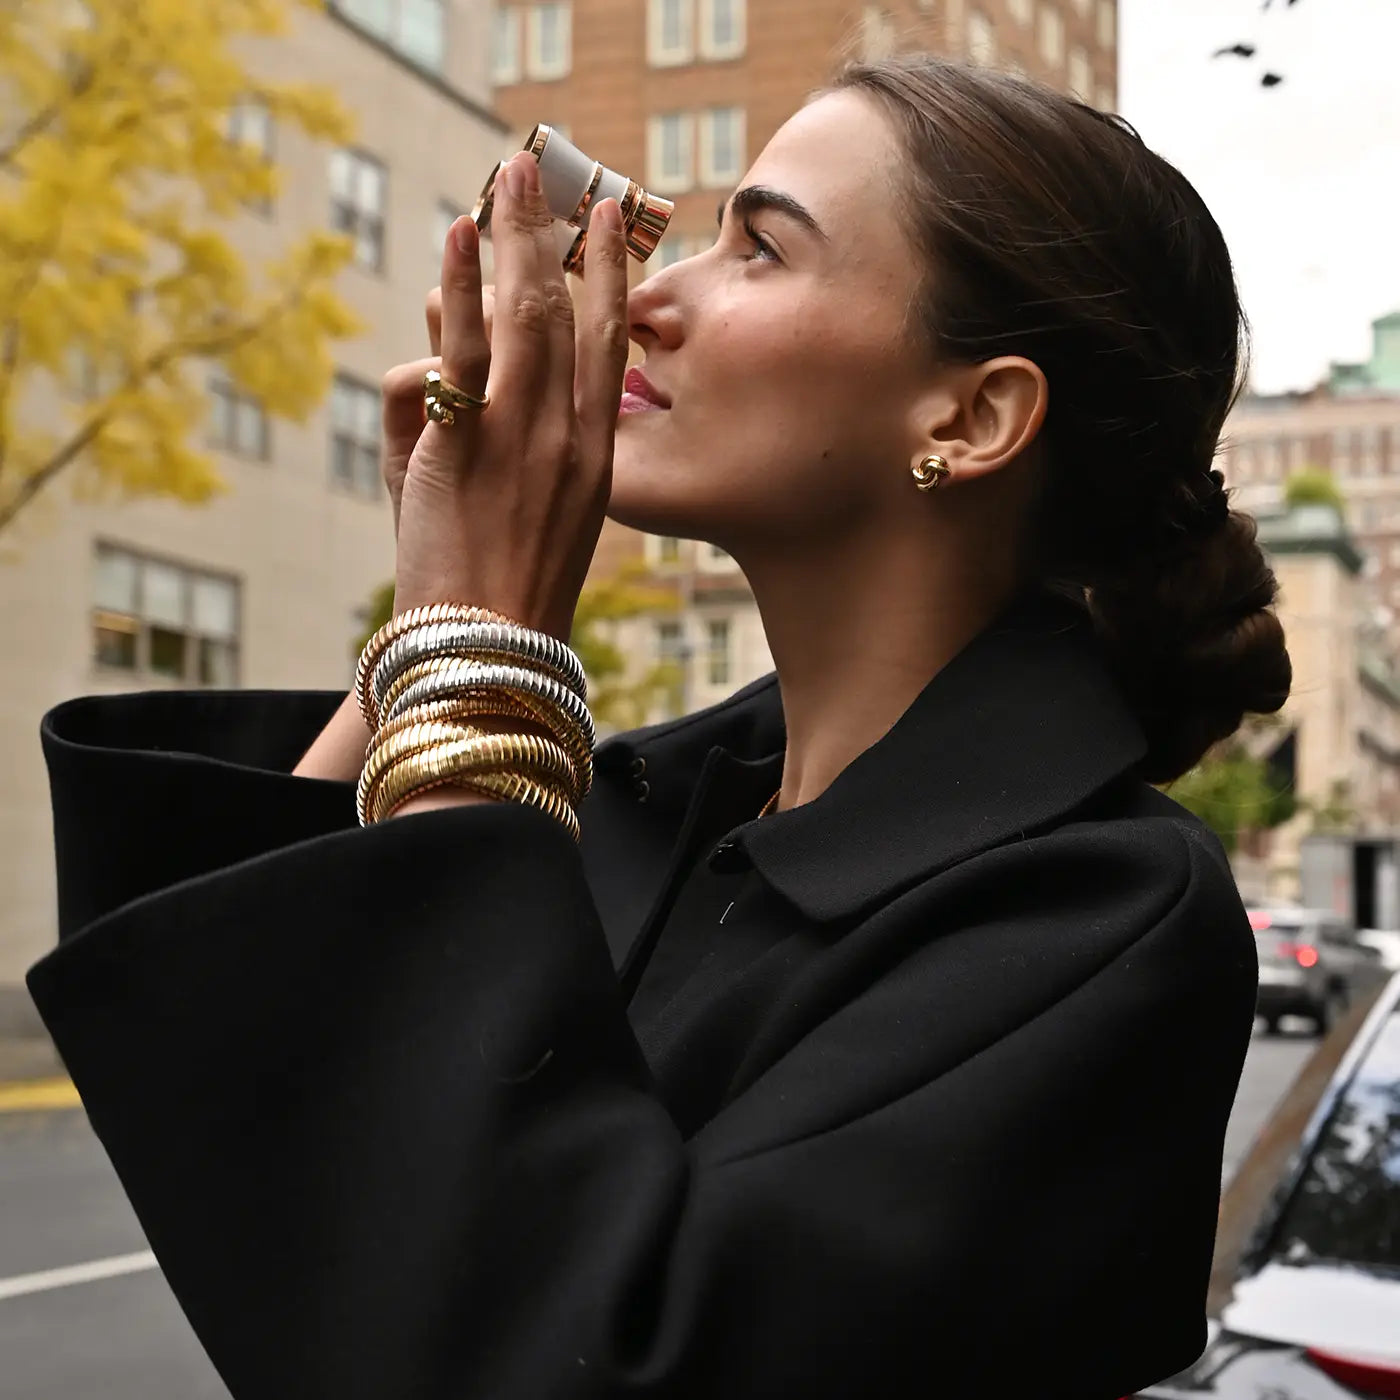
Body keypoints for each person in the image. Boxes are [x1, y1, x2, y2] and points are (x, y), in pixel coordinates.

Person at [29, 55, 1289, 1400]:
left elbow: (554, 1352)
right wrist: (439, 611)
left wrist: (483, 651)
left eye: (759, 248)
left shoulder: (1102, 922)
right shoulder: (657, 810)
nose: (653, 301)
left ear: (971, 417)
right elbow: (233, 1097)